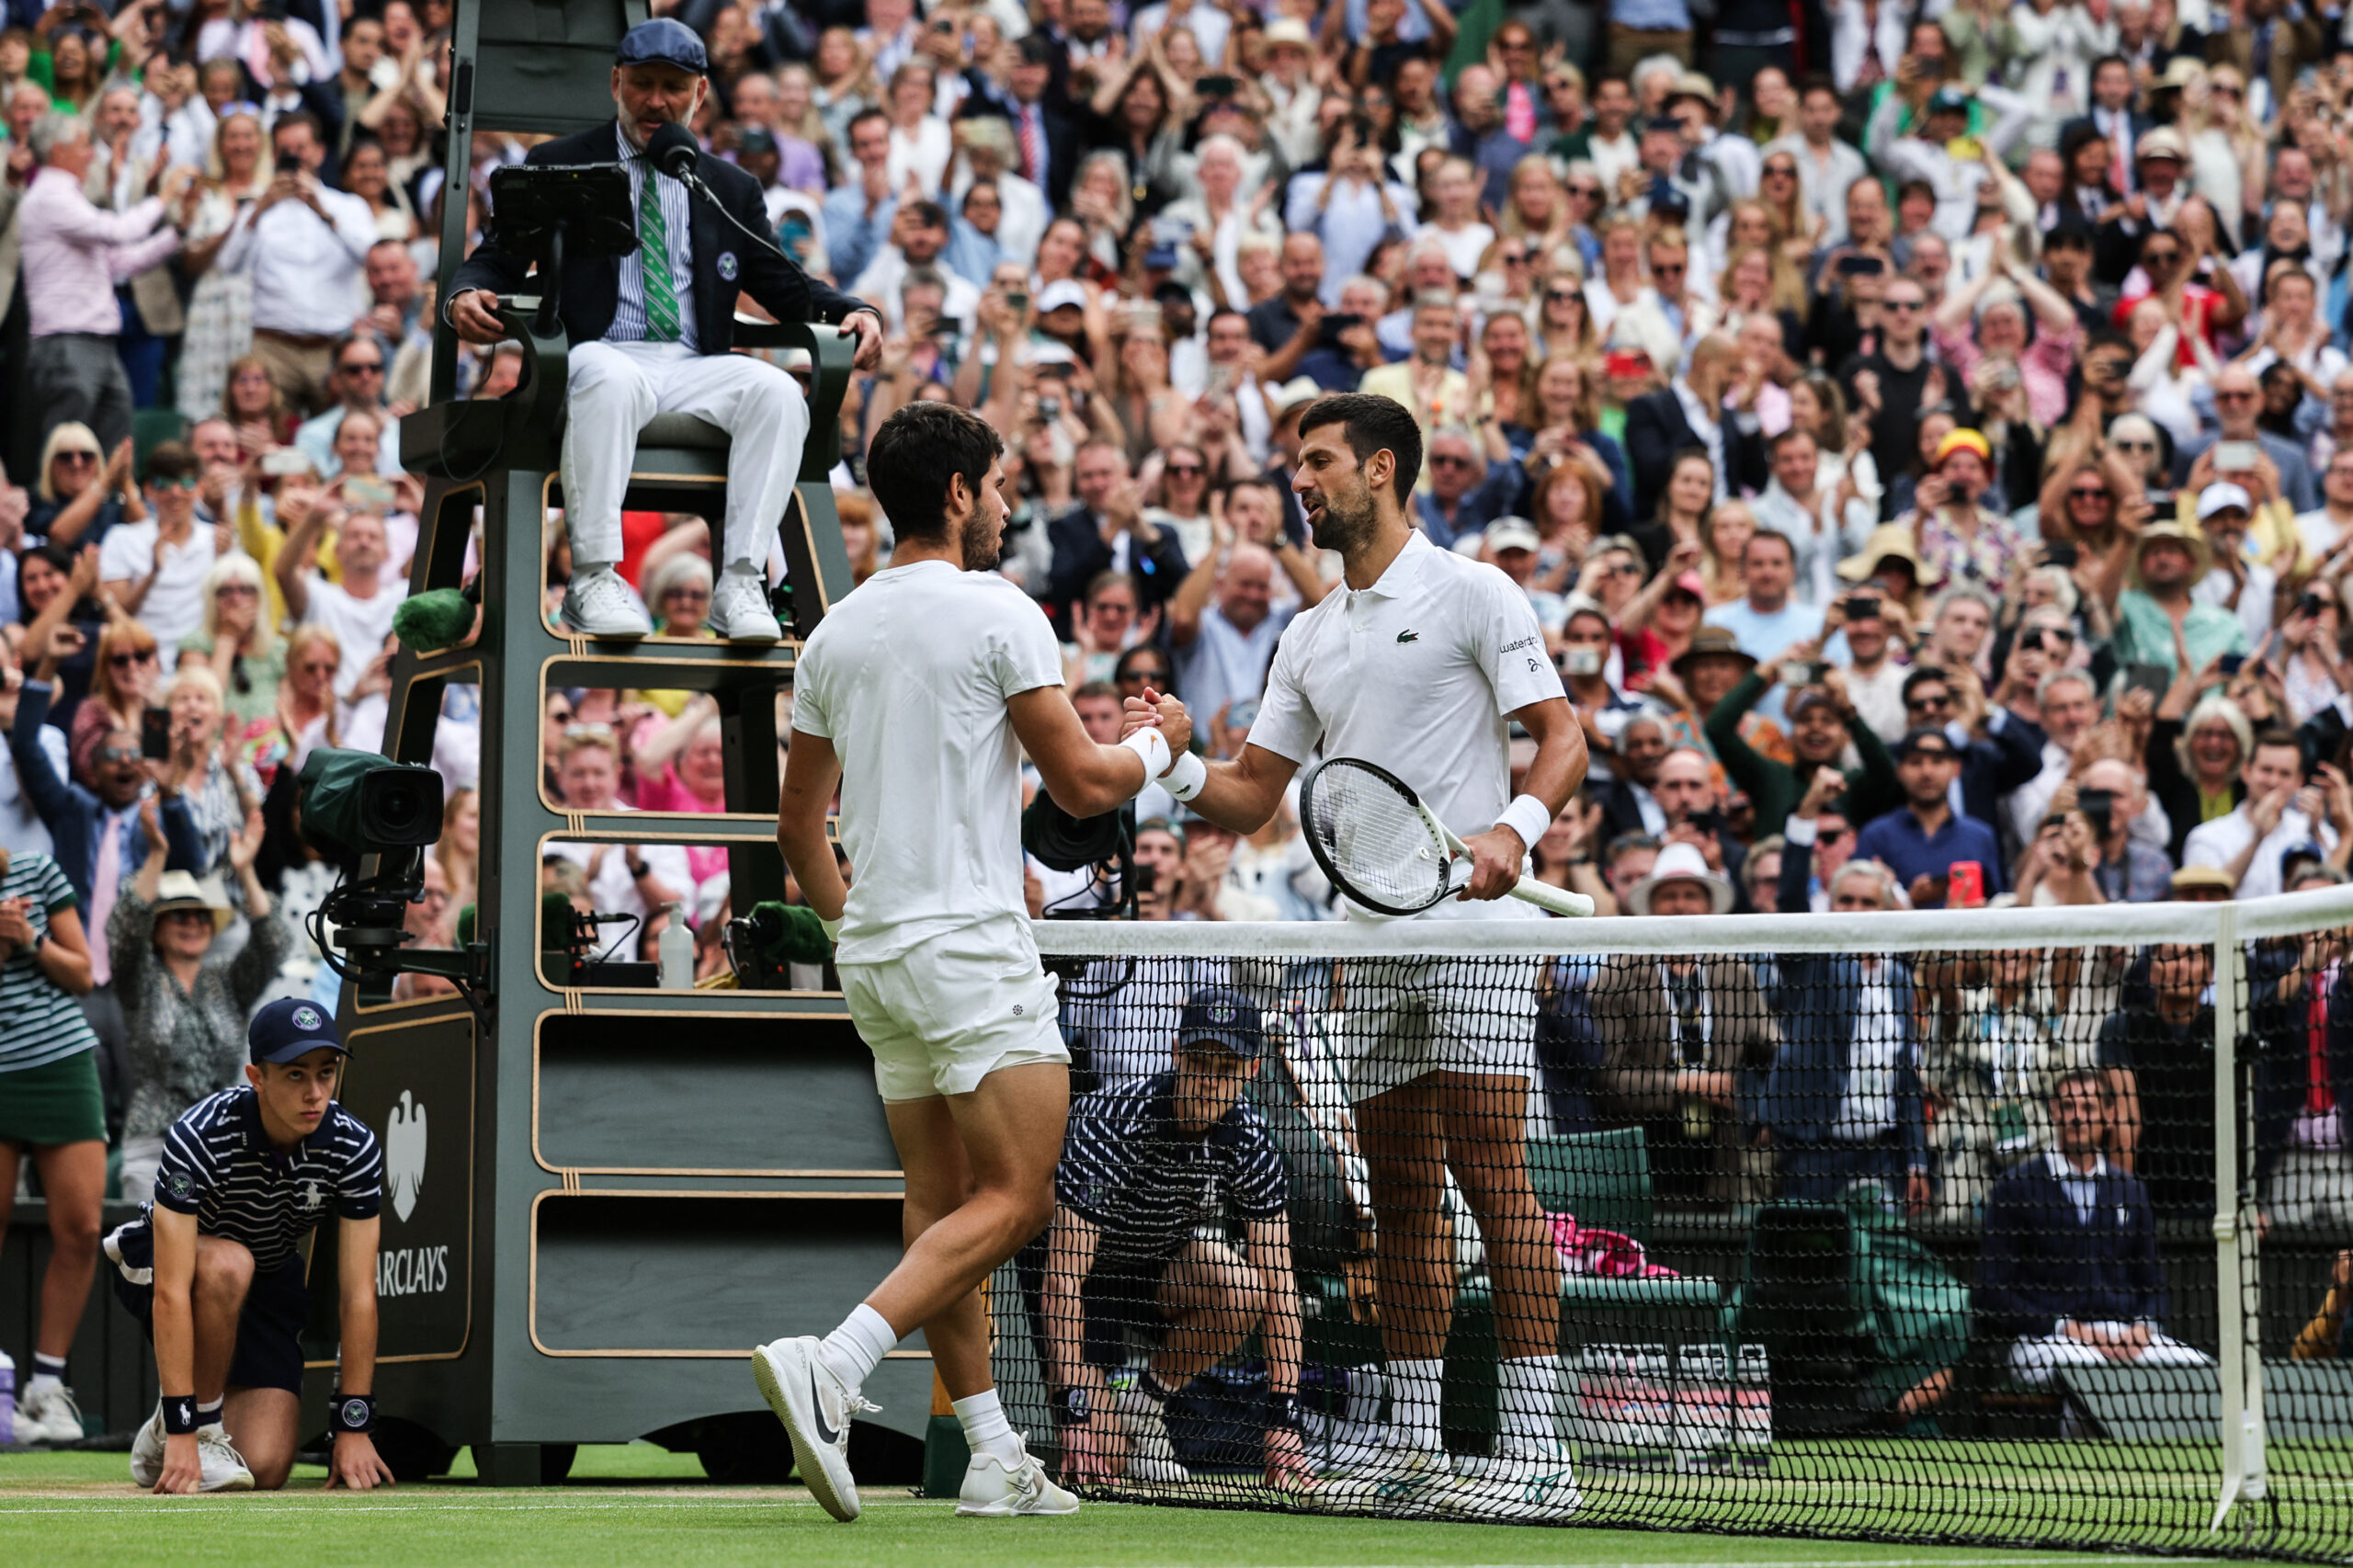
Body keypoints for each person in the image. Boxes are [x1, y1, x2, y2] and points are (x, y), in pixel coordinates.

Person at [1123, 392, 1588, 1518]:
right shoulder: (1308, 634)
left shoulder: (1475, 591)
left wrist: (1509, 833)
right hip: (1367, 938)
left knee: (1493, 1176)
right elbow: (1245, 796)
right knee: (1400, 1195)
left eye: (1320, 461)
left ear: (1382, 469)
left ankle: (1537, 1449)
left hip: (1474, 930)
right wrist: (1179, 763)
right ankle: (1418, 1440)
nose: (1301, 479)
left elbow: (1562, 735)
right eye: (1298, 462)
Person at [761, 401, 1180, 1523]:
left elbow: (799, 828)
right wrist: (1160, 743)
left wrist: (856, 928)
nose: (1003, 505)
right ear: (956, 491)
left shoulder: (832, 632)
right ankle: (837, 1361)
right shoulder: (1000, 607)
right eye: (994, 486)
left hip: (881, 960)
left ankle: (991, 1450)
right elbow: (1088, 785)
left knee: (939, 1200)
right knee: (1019, 1198)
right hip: (969, 953)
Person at [446, 19, 885, 642]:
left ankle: (740, 581)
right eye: (643, 84)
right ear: (616, 83)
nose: (658, 100)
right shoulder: (560, 163)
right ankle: (593, 576)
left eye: (673, 87)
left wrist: (853, 309)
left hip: (690, 363)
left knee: (778, 393)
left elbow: (784, 283)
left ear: (700, 94)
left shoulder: (727, 185)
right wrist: (467, 292)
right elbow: (499, 256)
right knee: (609, 376)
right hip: (601, 353)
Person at [103, 999, 395, 1494]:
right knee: (229, 1264)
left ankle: (162, 1433)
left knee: (265, 1466)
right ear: (257, 1077)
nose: (316, 1092)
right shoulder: (200, 1135)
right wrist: (186, 1432)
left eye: (327, 1073)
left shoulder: (355, 1147)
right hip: (163, 1266)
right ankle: (196, 1427)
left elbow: (358, 1296)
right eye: (296, 1075)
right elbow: (172, 1291)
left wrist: (353, 1425)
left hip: (266, 1282)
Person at [1034, 990, 1312, 1491]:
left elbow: (1281, 1282)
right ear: (1177, 1053)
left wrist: (1284, 1420)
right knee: (1105, 1465)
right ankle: (1106, 1422)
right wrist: (1075, 1415)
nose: (1209, 1080)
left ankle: (1144, 1406)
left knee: (1248, 1290)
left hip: (1158, 1264)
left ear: (1250, 1071)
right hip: (1082, 1274)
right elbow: (1063, 1278)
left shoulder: (1252, 1142)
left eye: (1226, 1067)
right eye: (1200, 1061)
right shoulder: (1111, 1123)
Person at [1976, 1070, 2212, 1386]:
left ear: (2108, 1115)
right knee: (2093, 1377)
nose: (2077, 1118)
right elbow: (1991, 1290)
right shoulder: (2015, 1188)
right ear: (2054, 1111)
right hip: (2044, 1340)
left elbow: (2153, 1285)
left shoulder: (2130, 1189)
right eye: (2068, 1107)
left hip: (2124, 1336)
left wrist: (2142, 1329)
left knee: (2202, 1372)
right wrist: (2064, 1327)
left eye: (2088, 1108)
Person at [108, 800, 290, 1207]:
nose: (193, 923)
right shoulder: (140, 980)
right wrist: (157, 854)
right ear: (156, 929)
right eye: (179, 914)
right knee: (155, 1266)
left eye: (201, 915)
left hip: (220, 1149)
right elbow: (124, 927)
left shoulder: (226, 981)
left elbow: (273, 941)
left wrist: (245, 871)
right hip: (154, 1148)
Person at [1591, 841, 1779, 1206]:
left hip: (1722, 1155)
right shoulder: (1617, 973)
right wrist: (1685, 1083)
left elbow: (1772, 1051)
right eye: (1669, 896)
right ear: (1651, 906)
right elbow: (1605, 1078)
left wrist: (1764, 1110)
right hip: (1643, 1150)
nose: (1680, 905)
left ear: (1708, 906)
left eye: (1691, 895)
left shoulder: (1735, 972)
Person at [0, 841, 100, 1446]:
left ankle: (46, 1384)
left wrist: (30, 939)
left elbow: (84, 973)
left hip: (61, 1062)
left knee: (84, 1229)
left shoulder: (36, 866)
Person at [1852, 727, 2006, 907]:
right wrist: (1906, 901)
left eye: (1937, 761)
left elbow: (1997, 905)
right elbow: (1858, 909)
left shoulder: (1980, 836)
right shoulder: (1876, 835)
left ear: (1956, 768)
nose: (1927, 772)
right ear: (1899, 771)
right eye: (1915, 762)